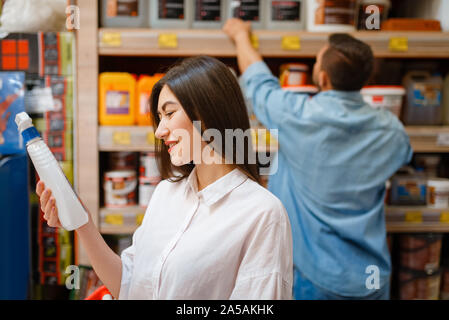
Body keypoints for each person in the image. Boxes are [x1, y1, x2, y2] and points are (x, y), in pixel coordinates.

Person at [36, 56, 293, 300]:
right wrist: (83, 223)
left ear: (207, 113)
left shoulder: (262, 213)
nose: (160, 130)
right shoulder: (166, 194)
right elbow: (128, 284)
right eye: (159, 117)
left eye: (169, 114)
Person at [223, 19, 413, 300]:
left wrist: (240, 35)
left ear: (323, 78)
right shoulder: (392, 130)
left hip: (316, 278)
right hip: (371, 277)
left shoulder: (297, 115)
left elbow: (258, 81)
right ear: (366, 80)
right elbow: (402, 155)